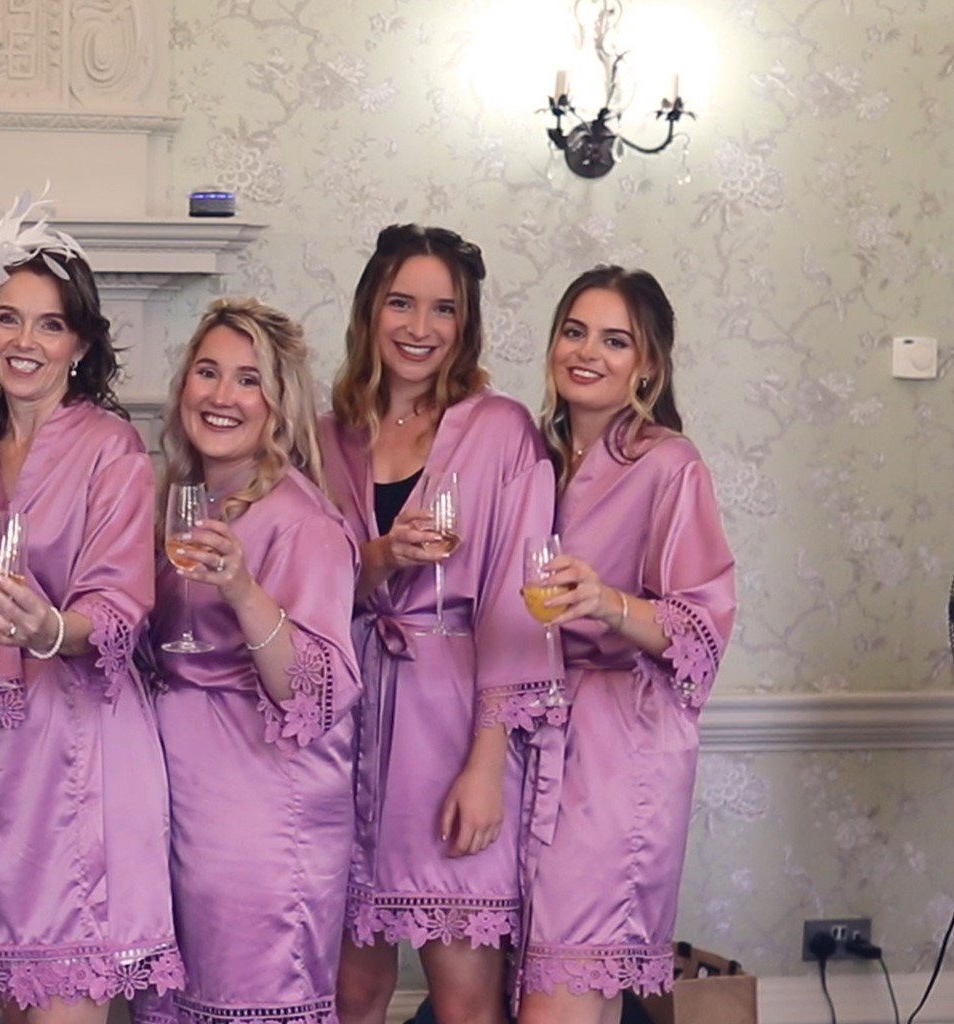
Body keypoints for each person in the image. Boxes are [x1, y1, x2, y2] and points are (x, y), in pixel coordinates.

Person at [0, 199, 180, 1024]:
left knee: (67, 999)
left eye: (48, 325)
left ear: (79, 345)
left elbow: (121, 605)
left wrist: (51, 629)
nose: (25, 342)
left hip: (83, 752)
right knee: (11, 1006)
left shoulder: (110, 447)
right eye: (8, 320)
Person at [318, 226, 558, 1024]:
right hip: (343, 733)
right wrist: (379, 557)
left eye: (443, 309)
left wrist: (487, 764)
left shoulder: (501, 431)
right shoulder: (326, 437)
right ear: (369, 311)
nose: (420, 327)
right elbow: (303, 589)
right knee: (349, 988)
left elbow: (521, 606)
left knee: (463, 996)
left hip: (452, 725)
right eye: (401, 303)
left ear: (467, 325)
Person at [517, 267, 735, 1024]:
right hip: (532, 740)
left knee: (565, 992)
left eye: (616, 341)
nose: (587, 352)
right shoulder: (532, 458)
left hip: (619, 748)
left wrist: (607, 603)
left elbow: (701, 627)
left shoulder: (668, 464)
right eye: (575, 331)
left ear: (648, 365)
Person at [147, 299, 360, 1024]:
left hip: (263, 816)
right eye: (207, 372)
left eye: (247, 380)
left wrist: (241, 588)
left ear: (277, 406)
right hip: (185, 809)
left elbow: (314, 693)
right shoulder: (185, 498)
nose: (221, 395)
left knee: (250, 1004)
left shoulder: (302, 519)